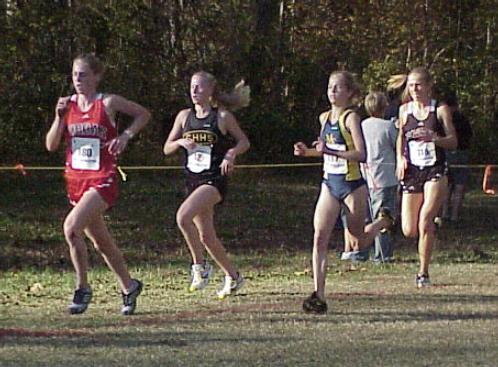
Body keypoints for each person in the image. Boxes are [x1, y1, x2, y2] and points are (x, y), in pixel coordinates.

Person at [46, 53, 151, 315]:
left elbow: (143, 114)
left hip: (102, 179)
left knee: (71, 228)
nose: (77, 80)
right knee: (101, 243)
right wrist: (59, 118)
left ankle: (82, 288)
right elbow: (51, 145)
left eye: (83, 75)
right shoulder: (67, 105)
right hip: (76, 181)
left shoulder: (108, 102)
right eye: (74, 75)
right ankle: (129, 286)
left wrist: (126, 135)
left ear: (96, 76)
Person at [294, 71, 393, 314]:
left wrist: (331, 152)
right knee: (319, 237)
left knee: (357, 241)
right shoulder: (324, 118)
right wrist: (307, 152)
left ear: (349, 92)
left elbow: (361, 154)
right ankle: (319, 295)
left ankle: (383, 221)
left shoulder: (351, 119)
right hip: (329, 184)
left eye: (338, 88)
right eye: (330, 87)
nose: (332, 92)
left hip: (352, 186)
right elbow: (324, 148)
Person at [163, 71, 250, 299]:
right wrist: (180, 141)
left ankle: (199, 267)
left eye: (199, 87)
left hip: (214, 179)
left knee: (183, 217)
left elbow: (244, 141)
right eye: (192, 86)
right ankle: (234, 276)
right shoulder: (184, 117)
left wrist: (231, 154)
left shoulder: (221, 117)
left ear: (210, 90)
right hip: (193, 179)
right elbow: (166, 148)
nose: (194, 91)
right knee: (206, 237)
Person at [396, 67, 457, 288]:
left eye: (419, 85)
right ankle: (431, 228)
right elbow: (401, 137)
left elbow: (453, 141)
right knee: (409, 229)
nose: (415, 89)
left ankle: (423, 272)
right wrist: (400, 159)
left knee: (424, 219)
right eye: (411, 85)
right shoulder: (404, 110)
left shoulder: (440, 110)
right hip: (413, 171)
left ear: (429, 86)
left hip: (435, 169)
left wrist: (434, 138)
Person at [361, 91, 398, 263]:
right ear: (384, 107)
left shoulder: (362, 125)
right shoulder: (388, 126)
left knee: (369, 214)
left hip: (366, 176)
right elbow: (397, 144)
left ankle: (364, 251)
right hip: (386, 177)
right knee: (385, 216)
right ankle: (383, 255)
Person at [440, 91, 473, 222]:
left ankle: (445, 214)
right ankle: (452, 216)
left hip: (451, 153)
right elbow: (469, 135)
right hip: (460, 153)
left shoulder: (443, 119)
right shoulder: (462, 118)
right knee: (457, 186)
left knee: (448, 186)